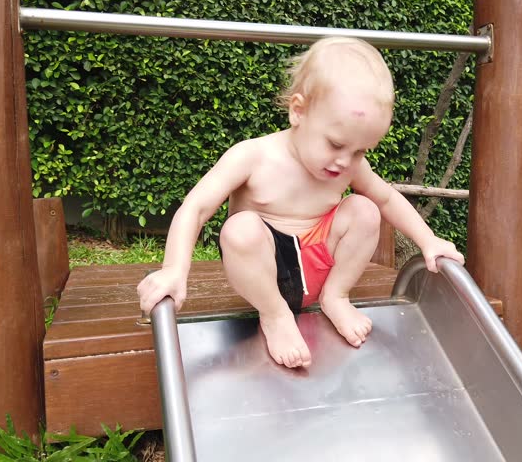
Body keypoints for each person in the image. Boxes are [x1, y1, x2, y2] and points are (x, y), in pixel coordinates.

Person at [138, 37, 464, 369]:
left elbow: (386, 198)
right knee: (240, 229)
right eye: (335, 143)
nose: (344, 161)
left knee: (364, 209)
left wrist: (429, 240)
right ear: (298, 111)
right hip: (266, 275)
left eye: (361, 150)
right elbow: (195, 208)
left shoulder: (347, 165)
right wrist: (175, 270)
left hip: (320, 263)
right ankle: (275, 315)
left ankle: (336, 297)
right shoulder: (253, 156)